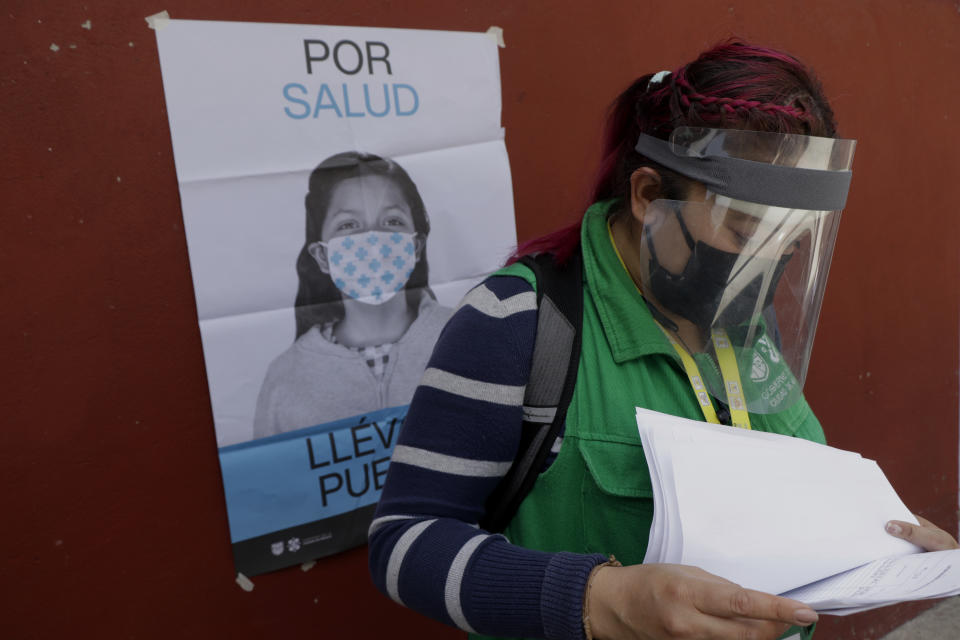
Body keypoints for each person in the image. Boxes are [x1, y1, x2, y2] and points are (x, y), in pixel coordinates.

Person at [367, 41, 958, 640]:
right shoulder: (519, 321)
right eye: (747, 229)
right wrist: (597, 599)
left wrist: (878, 551)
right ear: (648, 196)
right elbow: (404, 540)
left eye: (792, 236)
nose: (768, 261)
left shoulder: (746, 317)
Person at [253, 152, 452, 438]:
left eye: (392, 221)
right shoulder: (286, 378)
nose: (372, 241)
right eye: (348, 225)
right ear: (322, 256)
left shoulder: (464, 334)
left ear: (416, 246)